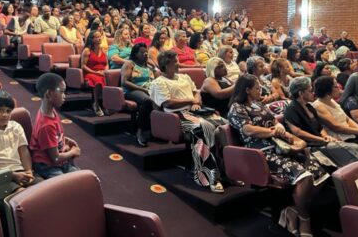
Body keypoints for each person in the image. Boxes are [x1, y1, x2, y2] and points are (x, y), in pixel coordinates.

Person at [228, 74, 329, 237]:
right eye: (257, 88)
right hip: (261, 152)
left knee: (321, 173)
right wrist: (273, 131)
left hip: (280, 147)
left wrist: (281, 128)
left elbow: (275, 121)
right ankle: (304, 218)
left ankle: (292, 210)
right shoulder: (237, 107)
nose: (261, 90)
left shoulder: (259, 104)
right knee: (305, 177)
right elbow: (247, 130)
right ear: (247, 90)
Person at [149, 50, 226, 193]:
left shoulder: (184, 77)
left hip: (195, 110)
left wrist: (197, 100)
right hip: (177, 116)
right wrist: (191, 100)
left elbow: (196, 91)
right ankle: (209, 177)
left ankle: (226, 172)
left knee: (224, 125)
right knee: (205, 127)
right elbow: (167, 103)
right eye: (175, 62)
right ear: (166, 65)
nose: (179, 64)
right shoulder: (158, 82)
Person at [284, 77, 358, 168]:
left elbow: (320, 127)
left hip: (321, 142)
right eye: (310, 91)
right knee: (355, 149)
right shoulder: (291, 109)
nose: (313, 93)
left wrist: (326, 136)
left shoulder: (310, 107)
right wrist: (321, 139)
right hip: (310, 146)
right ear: (301, 93)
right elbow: (298, 132)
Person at [0, 91, 36, 188]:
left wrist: (28, 172)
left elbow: (23, 151)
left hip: (20, 170)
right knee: (21, 195)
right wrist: (12, 175)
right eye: (0, 110)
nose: (5, 114)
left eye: (8, 111)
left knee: (45, 190)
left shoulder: (16, 127)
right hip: (0, 175)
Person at [30, 72, 80, 179]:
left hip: (57, 159)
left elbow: (55, 135)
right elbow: (56, 158)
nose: (64, 96)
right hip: (46, 165)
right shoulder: (46, 125)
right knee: (64, 184)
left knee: (80, 178)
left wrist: (66, 140)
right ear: (48, 94)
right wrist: (73, 152)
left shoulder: (50, 110)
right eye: (61, 92)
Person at [121, 43, 156, 147]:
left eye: (146, 51)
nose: (145, 54)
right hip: (132, 90)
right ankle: (140, 131)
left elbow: (157, 77)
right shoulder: (129, 64)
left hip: (149, 89)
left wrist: (154, 66)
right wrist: (141, 89)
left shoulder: (148, 65)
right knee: (148, 101)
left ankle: (157, 130)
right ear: (135, 54)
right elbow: (124, 82)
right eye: (142, 52)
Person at [82, 30, 108, 116]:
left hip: (102, 72)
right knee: (98, 80)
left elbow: (107, 64)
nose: (99, 38)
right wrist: (96, 72)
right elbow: (83, 66)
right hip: (90, 73)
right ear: (91, 39)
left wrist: (105, 71)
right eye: (96, 37)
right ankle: (96, 104)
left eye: (100, 36)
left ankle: (106, 104)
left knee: (107, 78)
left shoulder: (103, 50)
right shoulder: (87, 50)